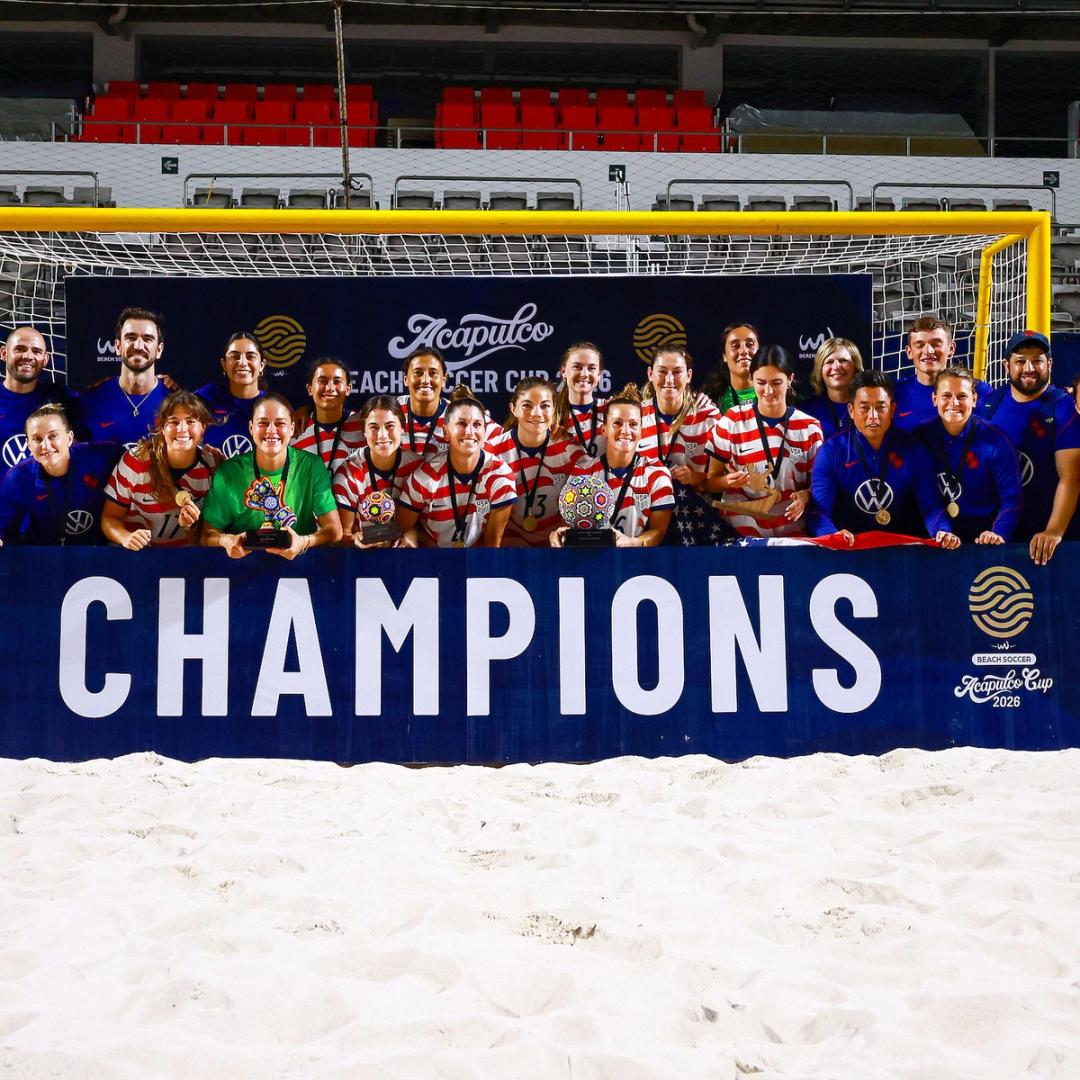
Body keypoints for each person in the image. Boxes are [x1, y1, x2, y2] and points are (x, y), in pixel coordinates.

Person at [809, 370, 955, 547]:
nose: (873, 416)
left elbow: (931, 507)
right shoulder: (831, 452)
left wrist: (942, 531)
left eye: (880, 407)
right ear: (851, 410)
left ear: (892, 410)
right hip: (848, 552)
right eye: (864, 408)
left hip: (903, 553)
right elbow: (819, 512)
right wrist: (831, 536)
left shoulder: (914, 450)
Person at [976, 330, 1080, 565]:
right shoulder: (989, 404)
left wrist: (1053, 531)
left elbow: (1071, 477)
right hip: (999, 534)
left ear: (1050, 364)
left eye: (1037, 361)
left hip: (1049, 537)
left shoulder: (1064, 406)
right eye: (1021, 361)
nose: (1029, 368)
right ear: (1007, 366)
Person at [201, 392, 341, 560]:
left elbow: (334, 530)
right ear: (251, 428)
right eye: (263, 423)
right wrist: (226, 540)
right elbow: (207, 535)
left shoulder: (311, 466)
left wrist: (303, 542)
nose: (271, 430)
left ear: (292, 428)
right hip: (243, 567)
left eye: (280, 423)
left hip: (300, 566)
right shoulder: (229, 472)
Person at [706, 346, 823, 538]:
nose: (768, 391)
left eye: (776, 382)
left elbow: (819, 485)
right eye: (761, 382)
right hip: (741, 537)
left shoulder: (809, 428)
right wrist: (726, 482)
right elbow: (710, 483)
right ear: (751, 379)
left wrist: (805, 496)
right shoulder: (731, 422)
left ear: (790, 379)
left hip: (792, 536)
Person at [551, 383, 675, 548]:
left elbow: (658, 531)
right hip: (591, 558)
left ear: (642, 431)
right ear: (604, 430)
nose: (625, 430)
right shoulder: (583, 473)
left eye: (633, 424)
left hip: (637, 560)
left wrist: (631, 542)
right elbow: (569, 523)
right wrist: (560, 534)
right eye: (617, 423)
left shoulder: (657, 473)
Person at [397, 386, 516, 548]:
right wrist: (410, 532)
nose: (469, 432)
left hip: (478, 559)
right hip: (431, 558)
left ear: (485, 431)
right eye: (461, 423)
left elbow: (491, 546)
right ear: (446, 432)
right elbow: (399, 528)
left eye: (477, 424)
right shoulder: (425, 476)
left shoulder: (500, 476)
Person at [916, 365, 1022, 545]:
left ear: (974, 399)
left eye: (962, 396)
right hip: (939, 538)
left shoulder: (997, 440)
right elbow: (929, 503)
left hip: (985, 538)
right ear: (935, 399)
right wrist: (942, 531)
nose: (954, 403)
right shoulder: (922, 438)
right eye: (946, 395)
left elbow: (1011, 500)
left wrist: (997, 533)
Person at [102, 391, 218, 550]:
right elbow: (109, 517)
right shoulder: (135, 461)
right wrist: (125, 537)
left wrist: (191, 527)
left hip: (184, 556)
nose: (182, 429)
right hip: (136, 555)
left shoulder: (212, 467)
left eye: (191, 421)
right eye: (174, 422)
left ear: (203, 427)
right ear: (162, 427)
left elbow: (206, 538)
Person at [637, 344, 726, 545]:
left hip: (694, 523)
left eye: (677, 372)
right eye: (662, 372)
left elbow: (723, 482)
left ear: (689, 376)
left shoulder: (709, 417)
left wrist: (696, 477)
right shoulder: (636, 417)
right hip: (646, 521)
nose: (669, 379)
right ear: (650, 374)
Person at [0, 403, 119, 546]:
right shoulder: (18, 478)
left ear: (69, 438)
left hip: (98, 550)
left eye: (53, 436)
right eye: (37, 439)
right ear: (29, 445)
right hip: (44, 552)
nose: (45, 445)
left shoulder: (100, 456)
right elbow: (4, 529)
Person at [488, 377, 586, 547]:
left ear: (554, 409)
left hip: (555, 552)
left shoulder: (571, 451)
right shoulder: (492, 451)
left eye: (545, 406)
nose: (536, 413)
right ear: (513, 409)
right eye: (527, 405)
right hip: (508, 552)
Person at [334, 394, 420, 547]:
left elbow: (429, 526)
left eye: (390, 426)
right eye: (373, 427)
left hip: (405, 556)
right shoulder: (348, 473)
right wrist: (355, 540)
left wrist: (414, 533)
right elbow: (342, 536)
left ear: (402, 428)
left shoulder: (418, 468)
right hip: (362, 558)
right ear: (364, 431)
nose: (382, 435)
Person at [80, 307, 172, 449]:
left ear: (159, 350)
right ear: (118, 346)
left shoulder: (175, 402)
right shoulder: (90, 400)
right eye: (131, 338)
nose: (138, 346)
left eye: (147, 339)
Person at [0, 326, 78, 481]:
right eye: (20, 349)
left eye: (36, 351)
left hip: (50, 494)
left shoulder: (62, 397)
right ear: (4, 353)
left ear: (45, 359)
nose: (28, 356)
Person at [894, 316, 989, 432]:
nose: (928, 351)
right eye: (920, 345)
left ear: (951, 348)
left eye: (936, 344)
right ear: (909, 352)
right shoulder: (894, 392)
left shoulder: (979, 391)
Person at [194, 331, 267, 459]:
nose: (242, 362)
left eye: (250, 356)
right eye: (235, 356)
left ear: (261, 365)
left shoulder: (272, 406)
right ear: (224, 364)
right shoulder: (207, 396)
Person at [291, 357, 365, 475]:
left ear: (348, 389)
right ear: (310, 389)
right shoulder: (296, 428)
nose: (330, 388)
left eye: (337, 381)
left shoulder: (362, 425)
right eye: (322, 381)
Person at [800, 337, 864, 440]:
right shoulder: (804, 411)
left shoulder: (870, 408)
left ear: (855, 367)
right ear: (820, 370)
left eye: (843, 361)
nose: (836, 367)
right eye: (829, 362)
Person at [552, 341, 607, 459]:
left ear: (599, 375)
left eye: (592, 368)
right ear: (563, 372)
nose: (584, 374)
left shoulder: (611, 411)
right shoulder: (549, 413)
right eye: (577, 367)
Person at [701, 322, 760, 415]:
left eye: (749, 344)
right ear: (725, 356)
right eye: (735, 346)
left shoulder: (777, 392)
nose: (744, 351)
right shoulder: (711, 399)